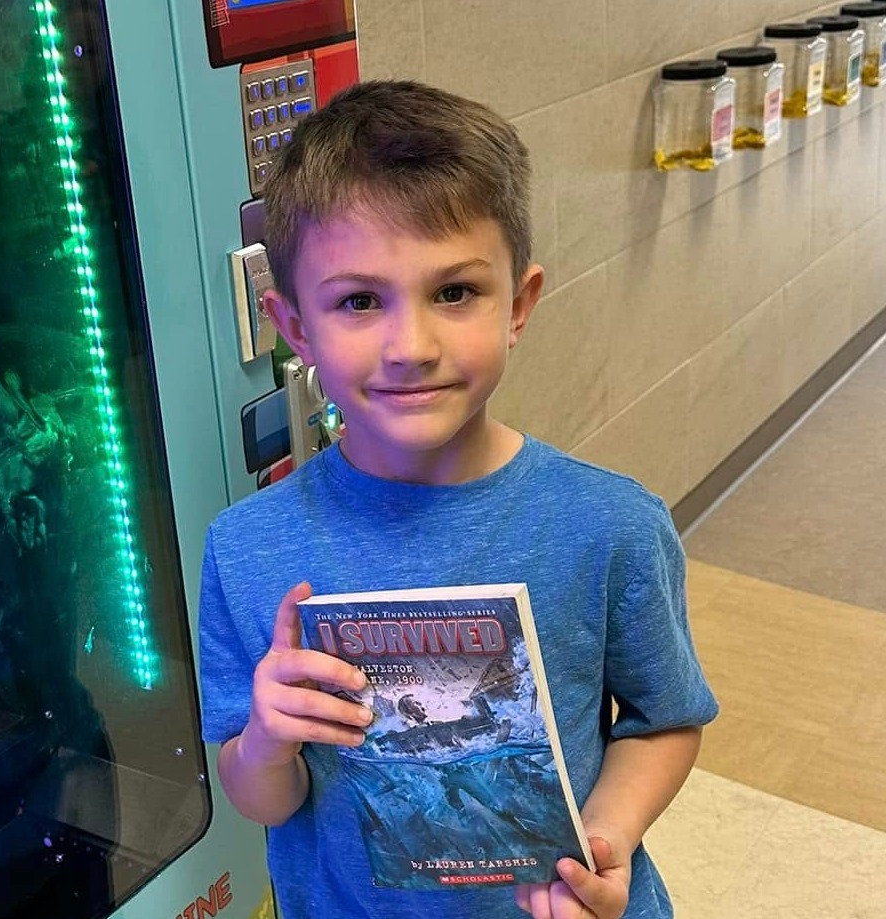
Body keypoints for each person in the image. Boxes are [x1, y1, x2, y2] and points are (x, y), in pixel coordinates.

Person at [198, 79, 718, 919]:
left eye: (454, 292)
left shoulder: (610, 524)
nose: (411, 346)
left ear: (518, 304)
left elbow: (665, 719)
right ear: (293, 326)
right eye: (359, 301)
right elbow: (263, 798)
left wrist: (608, 837)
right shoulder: (246, 546)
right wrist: (268, 735)